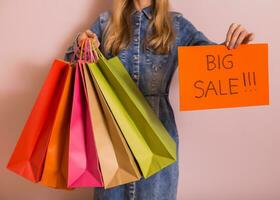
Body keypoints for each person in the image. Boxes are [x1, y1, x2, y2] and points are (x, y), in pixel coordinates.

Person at [64, 0, 255, 199]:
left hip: (160, 136)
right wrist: (80, 43)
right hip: (112, 143)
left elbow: (212, 60)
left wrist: (235, 48)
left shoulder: (178, 25)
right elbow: (74, 72)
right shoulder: (105, 23)